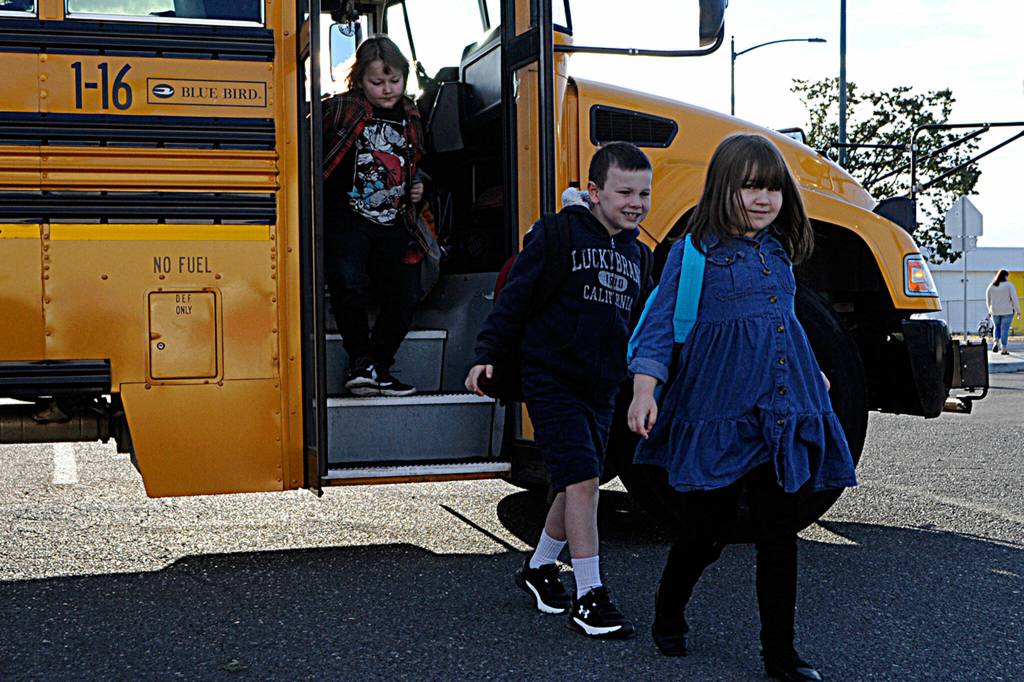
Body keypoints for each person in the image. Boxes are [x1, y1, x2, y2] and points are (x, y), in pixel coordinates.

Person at [627, 133, 857, 680]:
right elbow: (657, 331)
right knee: (705, 534)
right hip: (719, 417)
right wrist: (643, 390)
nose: (763, 198)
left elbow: (783, 321)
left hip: (779, 415)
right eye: (751, 186)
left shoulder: (778, 253)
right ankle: (670, 608)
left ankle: (780, 655)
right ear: (723, 189)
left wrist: (809, 368)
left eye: (773, 188)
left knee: (779, 537)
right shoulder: (693, 255)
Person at [465, 142, 654, 639]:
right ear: (594, 193)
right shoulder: (556, 235)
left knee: (577, 479)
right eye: (624, 192)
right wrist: (487, 353)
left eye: (644, 193)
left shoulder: (640, 255)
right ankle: (590, 596)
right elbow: (514, 300)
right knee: (584, 482)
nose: (635, 203)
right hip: (551, 378)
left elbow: (640, 326)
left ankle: (540, 568)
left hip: (602, 387)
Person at [321, 36, 426, 397]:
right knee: (349, 282)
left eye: (393, 81)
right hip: (348, 215)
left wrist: (419, 187)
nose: (386, 90)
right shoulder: (341, 109)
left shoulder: (411, 115)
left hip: (394, 219)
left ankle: (377, 366)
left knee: (405, 293)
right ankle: (359, 360)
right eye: (376, 83)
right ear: (359, 80)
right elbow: (308, 147)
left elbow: (419, 163)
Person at [986, 269, 1020, 355]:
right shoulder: (1009, 285)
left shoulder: (991, 286)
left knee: (996, 328)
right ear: (1005, 276)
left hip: (995, 311)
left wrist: (989, 311)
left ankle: (995, 342)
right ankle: (1003, 348)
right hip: (1007, 311)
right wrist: (1018, 311)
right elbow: (1014, 299)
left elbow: (988, 301)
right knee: (1004, 329)